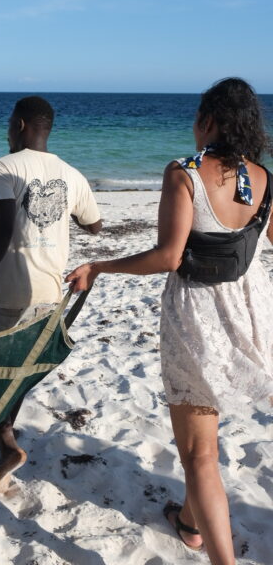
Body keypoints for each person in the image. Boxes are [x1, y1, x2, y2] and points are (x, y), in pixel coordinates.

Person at [66, 78, 273, 565]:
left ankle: (216, 555)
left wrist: (100, 267)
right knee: (210, 432)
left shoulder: (184, 172)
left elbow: (167, 256)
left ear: (208, 120)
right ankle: (190, 523)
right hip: (249, 309)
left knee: (200, 454)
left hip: (197, 316)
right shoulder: (262, 176)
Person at [0, 95, 102, 495]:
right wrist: (63, 211)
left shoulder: (3, 167)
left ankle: (5, 441)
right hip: (47, 295)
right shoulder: (71, 174)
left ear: (18, 124)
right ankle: (4, 434)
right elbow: (95, 225)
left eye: (8, 124)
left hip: (4, 292)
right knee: (18, 371)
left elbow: (0, 232)